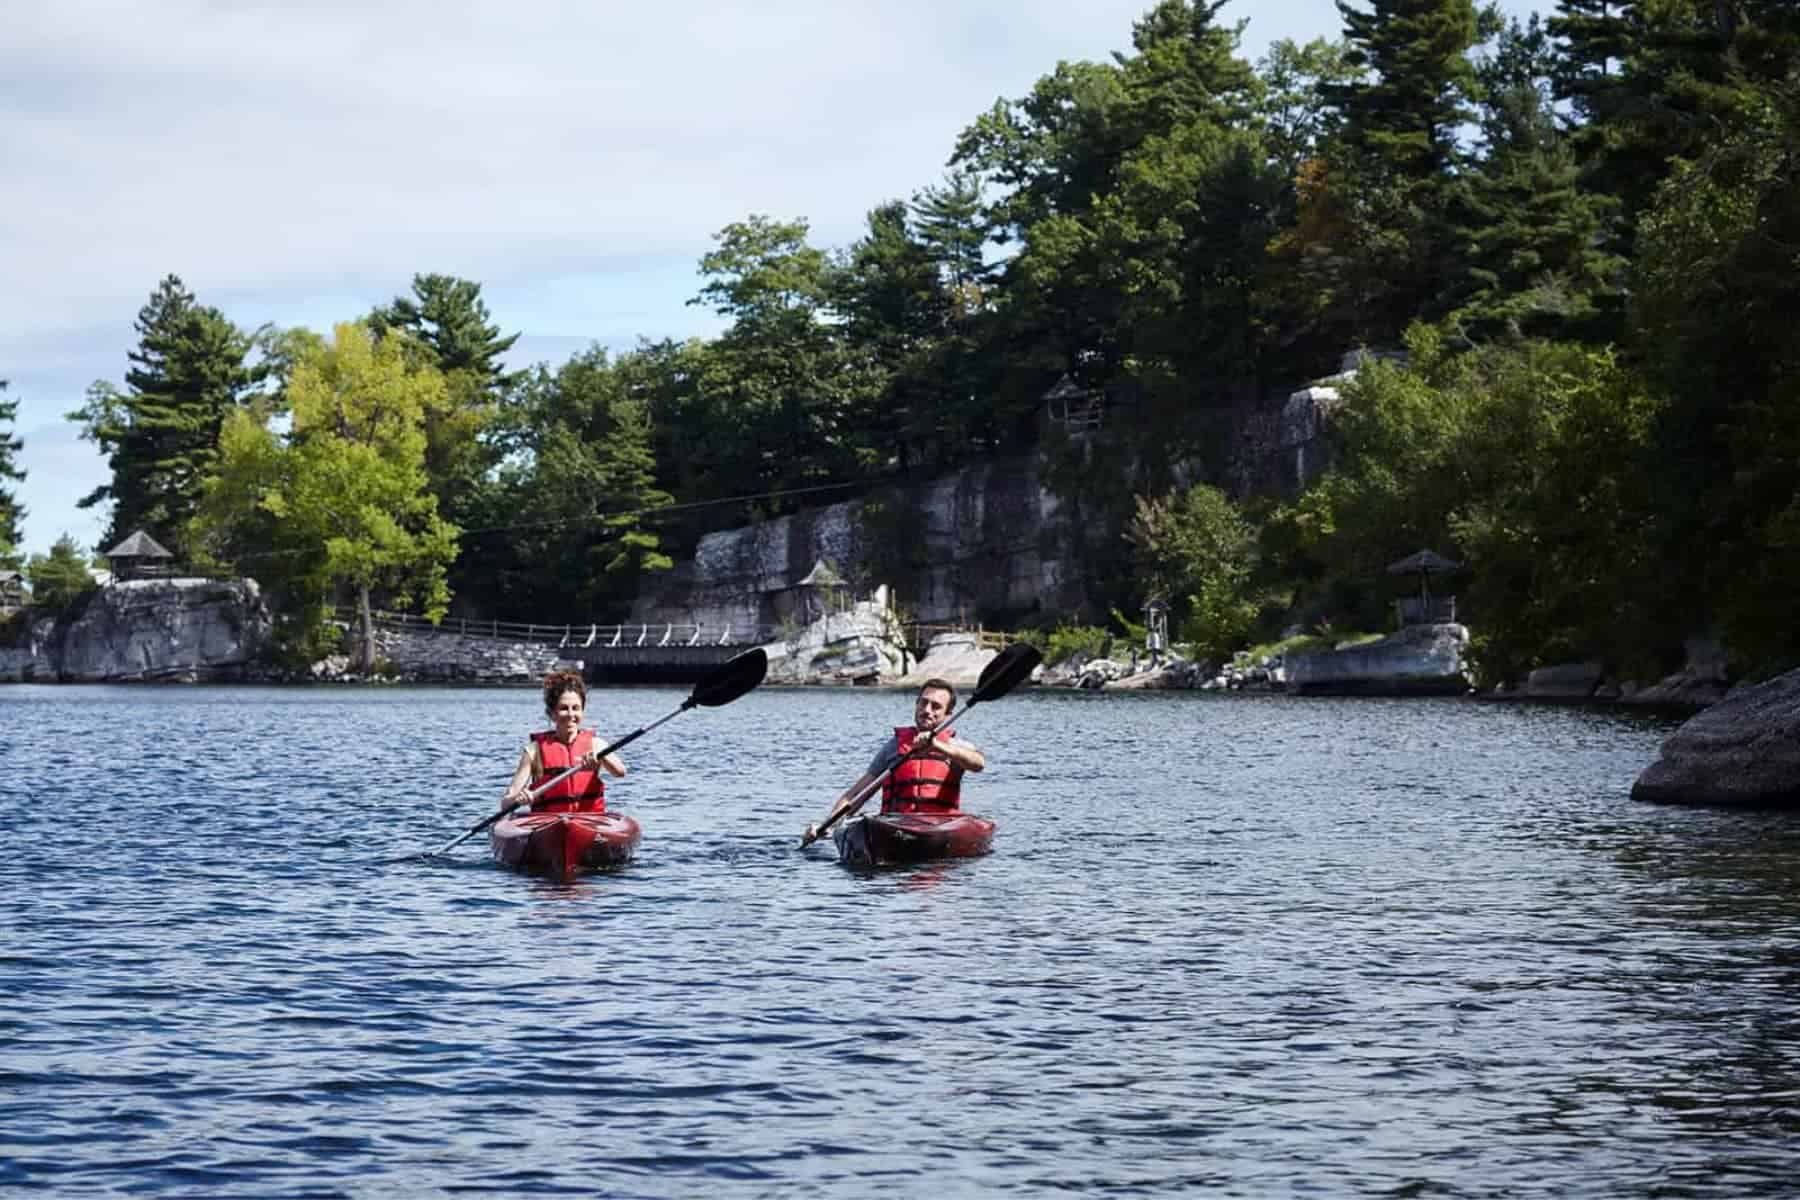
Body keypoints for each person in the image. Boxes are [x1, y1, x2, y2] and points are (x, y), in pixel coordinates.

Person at [803, 677, 985, 841]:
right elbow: (856, 795)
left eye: (936, 706)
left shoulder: (955, 745)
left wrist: (938, 745)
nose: (927, 710)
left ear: (948, 715)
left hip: (938, 827)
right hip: (895, 826)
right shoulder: (894, 747)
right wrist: (826, 826)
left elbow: (978, 763)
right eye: (923, 703)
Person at [500, 670, 626, 813]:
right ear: (552, 714)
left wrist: (600, 757)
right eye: (564, 709)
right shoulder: (534, 750)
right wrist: (518, 798)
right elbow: (505, 803)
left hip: (589, 821)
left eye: (576, 708)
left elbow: (620, 772)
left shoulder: (596, 744)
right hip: (547, 823)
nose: (571, 714)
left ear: (582, 711)